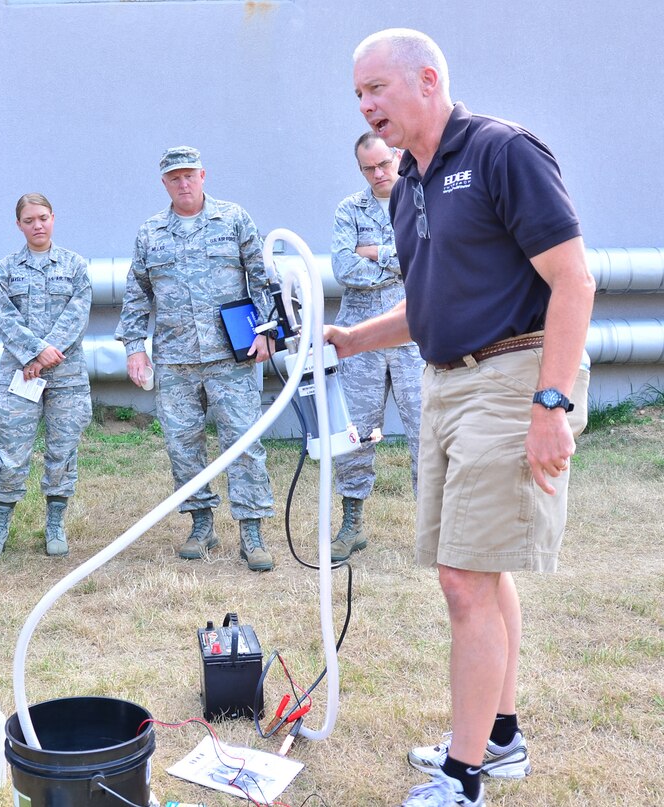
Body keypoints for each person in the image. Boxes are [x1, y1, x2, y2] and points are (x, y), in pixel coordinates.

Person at [329, 29, 594, 807]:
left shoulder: (502, 152)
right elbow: (430, 304)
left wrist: (551, 401)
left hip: (514, 374)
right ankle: (501, 738)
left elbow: (574, 280)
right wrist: (353, 338)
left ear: (428, 78)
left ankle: (463, 776)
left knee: (463, 580)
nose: (368, 106)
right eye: (358, 97)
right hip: (446, 382)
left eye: (377, 88)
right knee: (481, 568)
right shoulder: (409, 182)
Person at [116, 146, 276, 572]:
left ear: (203, 175)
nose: (183, 183)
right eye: (174, 178)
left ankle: (252, 531)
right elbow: (137, 295)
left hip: (231, 357)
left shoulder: (234, 220)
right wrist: (135, 347)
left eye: (189, 175)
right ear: (164, 183)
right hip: (176, 360)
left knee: (243, 443)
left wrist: (268, 332)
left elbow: (262, 279)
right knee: (183, 446)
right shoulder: (150, 233)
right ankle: (202, 524)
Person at [329, 131, 424, 562]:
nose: (378, 174)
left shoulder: (424, 199)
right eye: (368, 168)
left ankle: (432, 528)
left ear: (398, 156)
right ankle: (352, 524)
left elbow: (433, 257)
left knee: (428, 432)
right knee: (355, 433)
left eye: (384, 164)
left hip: (417, 336)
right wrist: (400, 261)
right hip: (361, 337)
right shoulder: (350, 209)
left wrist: (375, 252)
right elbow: (344, 268)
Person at [0, 193, 92, 559]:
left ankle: (55, 522)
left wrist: (44, 356)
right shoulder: (5, 270)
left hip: (67, 375)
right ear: (19, 225)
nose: (37, 225)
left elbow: (77, 314)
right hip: (20, 374)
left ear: (53, 218)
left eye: (43, 217)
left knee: (62, 451)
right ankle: (0, 522)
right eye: (29, 220)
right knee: (11, 452)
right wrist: (33, 353)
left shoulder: (75, 266)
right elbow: (5, 317)